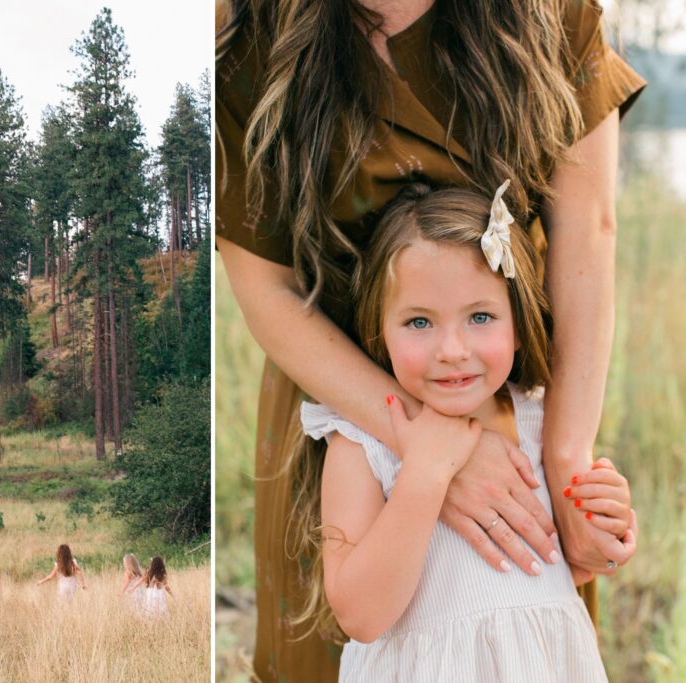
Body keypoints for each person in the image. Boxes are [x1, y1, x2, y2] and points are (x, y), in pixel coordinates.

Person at [215, 0, 645, 679]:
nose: (450, 344)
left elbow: (586, 225)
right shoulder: (251, 31)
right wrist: (423, 448)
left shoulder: (550, 12)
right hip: (346, 388)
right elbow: (266, 286)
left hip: (514, 391)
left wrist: (569, 459)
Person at [296, 182, 635, 680]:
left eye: (480, 317)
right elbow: (360, 616)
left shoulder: (542, 425)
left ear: (518, 324)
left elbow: (573, 563)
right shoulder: (363, 443)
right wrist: (426, 473)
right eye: (418, 322)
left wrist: (609, 526)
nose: (452, 349)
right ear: (379, 329)